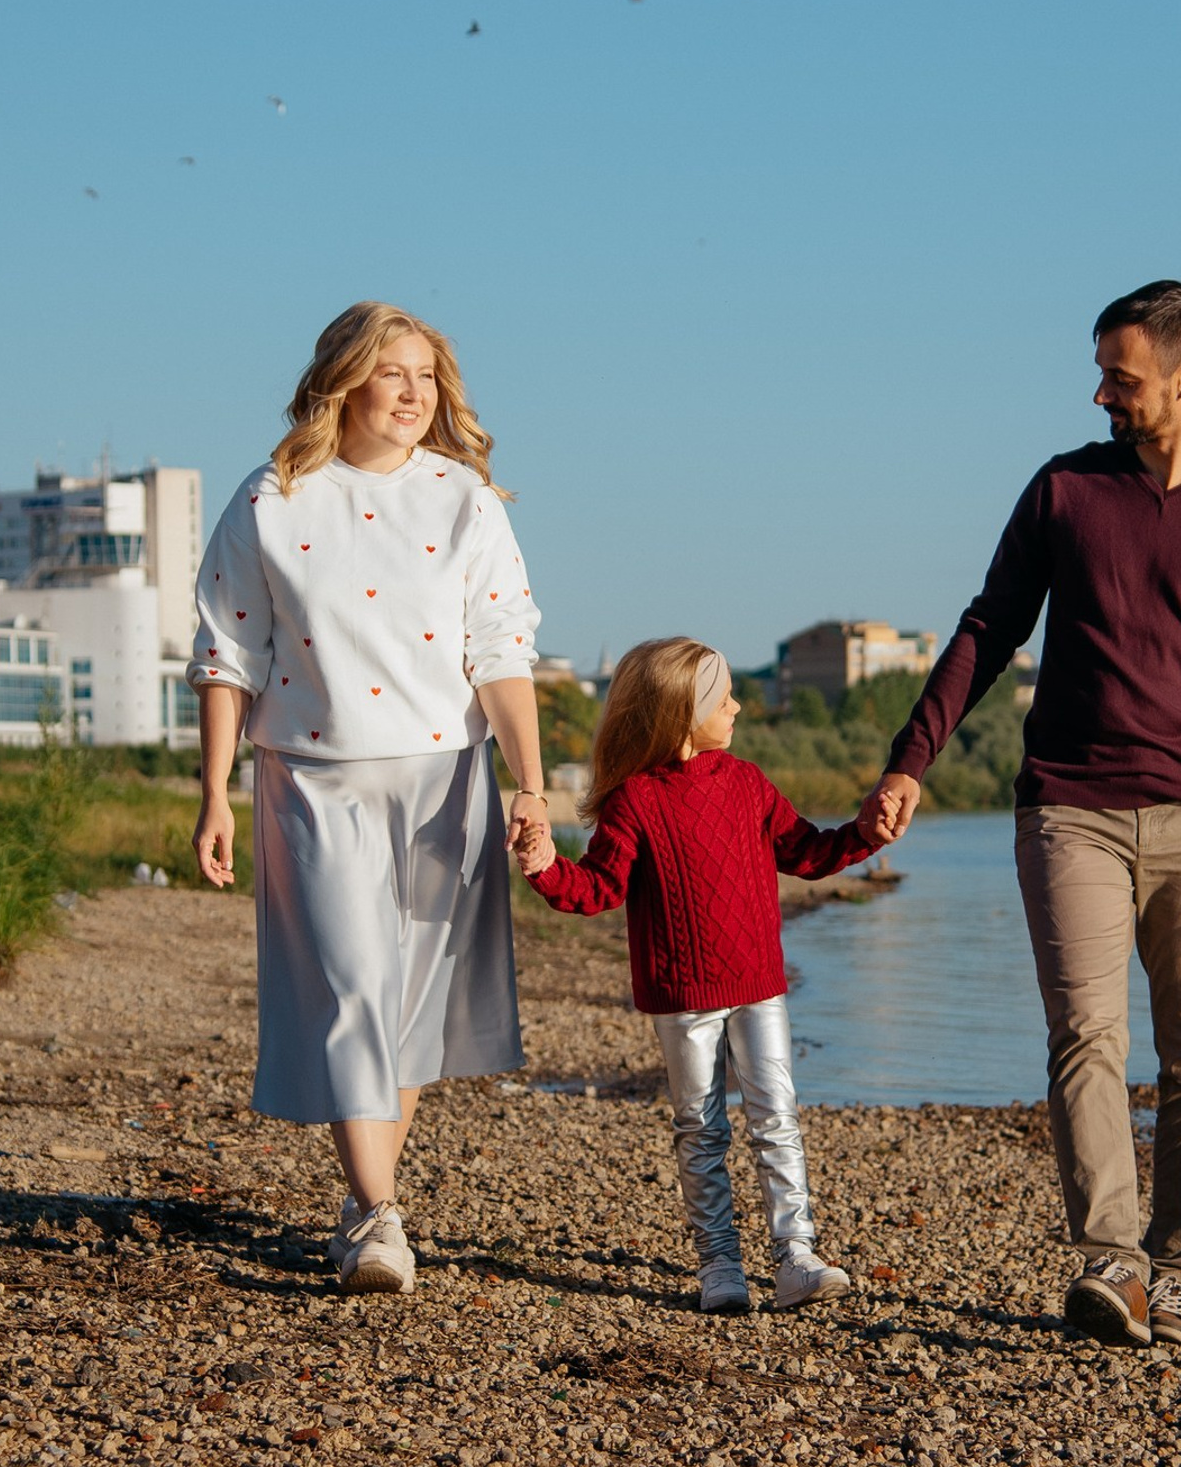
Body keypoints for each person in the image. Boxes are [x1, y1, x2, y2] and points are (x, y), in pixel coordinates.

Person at [860, 281, 1181, 1351]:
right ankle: (1113, 1259)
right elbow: (990, 627)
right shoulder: (1065, 490)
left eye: (1122, 377)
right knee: (1085, 1035)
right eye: (1103, 375)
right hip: (1069, 806)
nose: (1102, 394)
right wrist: (911, 758)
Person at [189, 301, 548, 1295]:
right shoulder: (272, 497)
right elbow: (226, 655)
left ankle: (364, 1208)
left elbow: (502, 651)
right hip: (313, 777)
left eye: (426, 376)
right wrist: (214, 794)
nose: (412, 393)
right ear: (345, 380)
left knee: (414, 1009)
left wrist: (531, 784)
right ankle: (380, 1215)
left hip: (446, 780)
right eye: (393, 372)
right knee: (352, 987)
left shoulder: (466, 501)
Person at [515, 638, 902, 1313]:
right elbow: (599, 887)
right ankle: (719, 1262)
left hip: (759, 984)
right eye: (724, 698)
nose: (738, 705)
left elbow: (807, 852)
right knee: (700, 1127)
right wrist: (546, 866)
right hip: (682, 994)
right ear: (682, 712)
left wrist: (864, 834)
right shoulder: (635, 800)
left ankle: (796, 1256)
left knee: (777, 1118)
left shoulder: (748, 782)